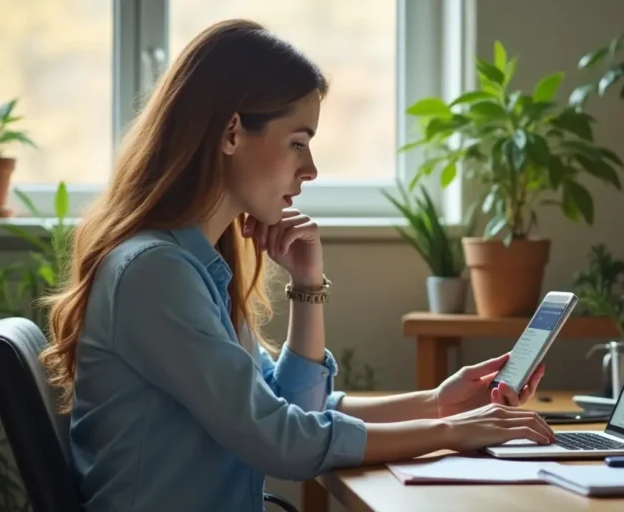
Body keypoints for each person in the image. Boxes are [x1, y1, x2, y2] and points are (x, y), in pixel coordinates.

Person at [38, 19, 553, 512]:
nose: (310, 170)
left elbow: (286, 408)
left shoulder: (194, 265)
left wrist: (438, 403)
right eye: (298, 143)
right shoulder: (155, 274)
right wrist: (451, 433)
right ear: (232, 133)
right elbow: (279, 441)